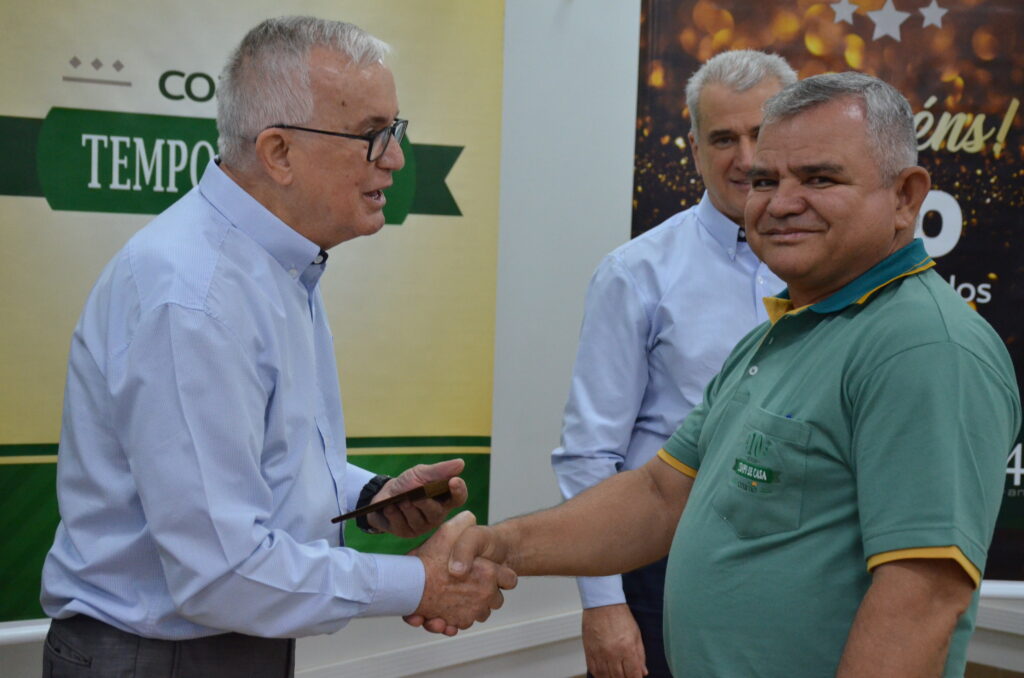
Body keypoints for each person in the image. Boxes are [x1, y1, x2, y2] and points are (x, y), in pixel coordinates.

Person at [433, 72, 1021, 677]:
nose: (781, 202)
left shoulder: (923, 348)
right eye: (766, 181)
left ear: (905, 196)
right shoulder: (784, 330)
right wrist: (503, 546)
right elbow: (660, 496)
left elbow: (921, 600)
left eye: (820, 178)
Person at [40, 16, 513, 678]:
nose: (397, 159)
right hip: (161, 658)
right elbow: (220, 573)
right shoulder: (194, 297)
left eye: (395, 131)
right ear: (278, 152)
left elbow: (246, 463)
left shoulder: (272, 266)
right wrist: (419, 583)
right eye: (372, 134)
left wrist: (370, 497)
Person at [551, 49, 794, 678]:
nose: (745, 157)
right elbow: (588, 453)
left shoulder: (838, 268)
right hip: (664, 570)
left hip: (801, 566)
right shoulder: (637, 273)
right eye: (722, 138)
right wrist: (603, 606)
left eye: (761, 133)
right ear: (693, 147)